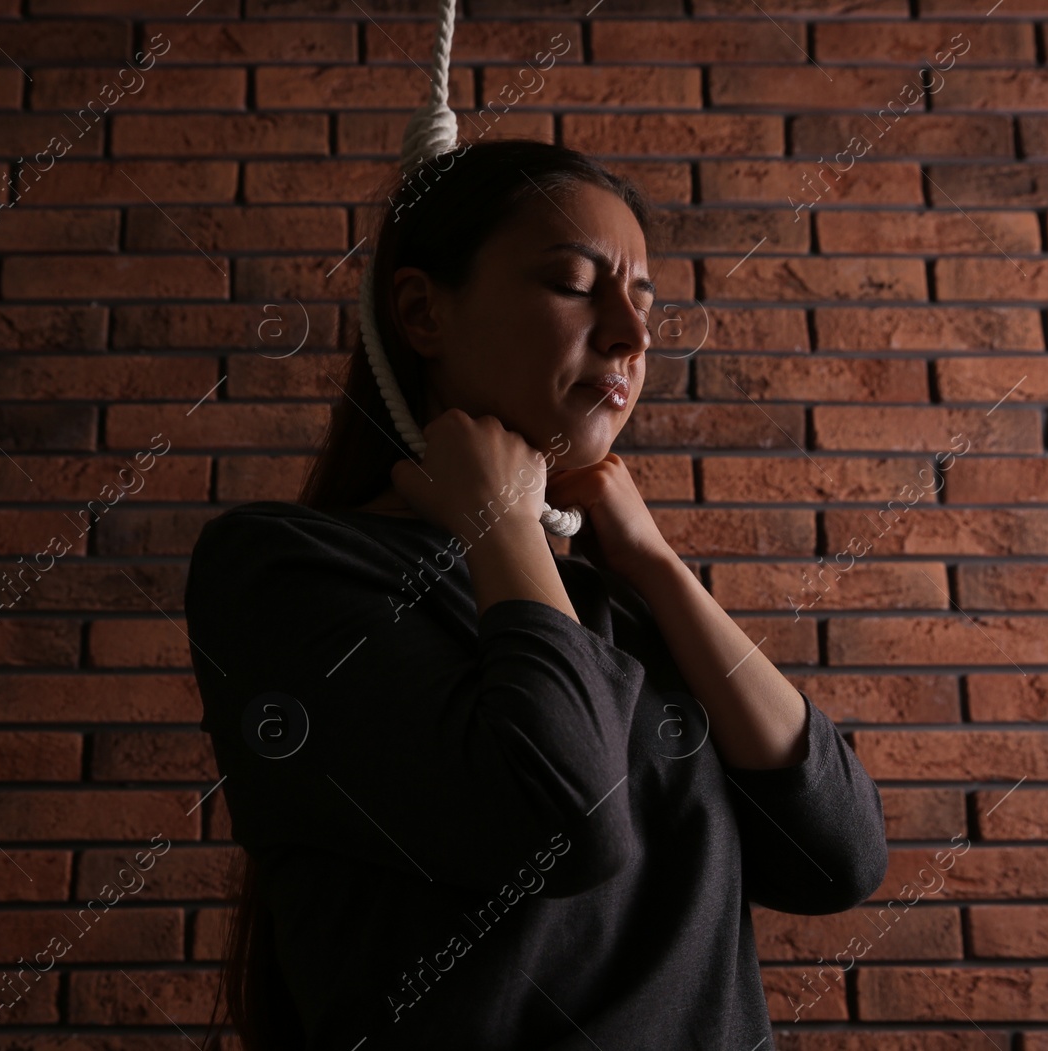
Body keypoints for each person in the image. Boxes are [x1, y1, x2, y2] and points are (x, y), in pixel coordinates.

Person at [185, 139, 888, 1051]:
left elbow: (839, 857)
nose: (631, 335)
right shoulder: (280, 573)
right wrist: (505, 525)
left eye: (643, 301)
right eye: (572, 283)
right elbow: (562, 828)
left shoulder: (619, 601)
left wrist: (656, 564)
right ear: (420, 311)